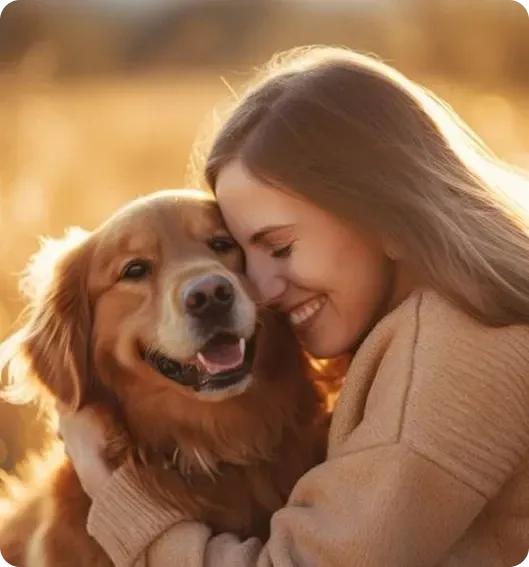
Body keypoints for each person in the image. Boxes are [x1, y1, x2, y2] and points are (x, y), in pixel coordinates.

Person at [58, 46, 529, 566]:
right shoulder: (446, 319)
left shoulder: (448, 362)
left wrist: (111, 492)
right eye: (243, 251)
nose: (256, 290)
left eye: (280, 247)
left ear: (389, 219)